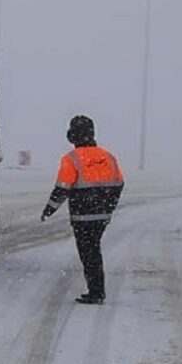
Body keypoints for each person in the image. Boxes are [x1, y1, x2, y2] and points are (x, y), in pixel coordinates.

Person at [41, 115, 125, 304]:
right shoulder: (108, 156)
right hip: (102, 216)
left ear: (72, 136)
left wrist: (49, 209)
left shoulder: (71, 159)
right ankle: (97, 290)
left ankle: (96, 292)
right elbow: (119, 183)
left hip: (82, 217)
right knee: (94, 250)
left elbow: (62, 189)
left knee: (88, 253)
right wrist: (109, 206)